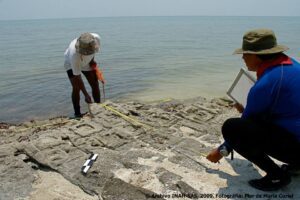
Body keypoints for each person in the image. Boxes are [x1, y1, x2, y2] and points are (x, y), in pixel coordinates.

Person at [206, 29, 300, 191]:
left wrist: (221, 151)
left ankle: (277, 176)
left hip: (296, 145)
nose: (242, 58)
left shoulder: (267, 83)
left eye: (245, 54)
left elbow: (243, 128)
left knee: (232, 127)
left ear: (256, 55)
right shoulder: (291, 64)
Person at [64, 32, 103, 118]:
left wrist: (92, 60)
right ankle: (77, 113)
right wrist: (86, 94)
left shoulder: (96, 38)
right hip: (70, 64)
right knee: (76, 88)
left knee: (95, 83)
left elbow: (93, 53)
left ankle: (98, 108)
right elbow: (77, 77)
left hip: (87, 63)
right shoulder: (74, 56)